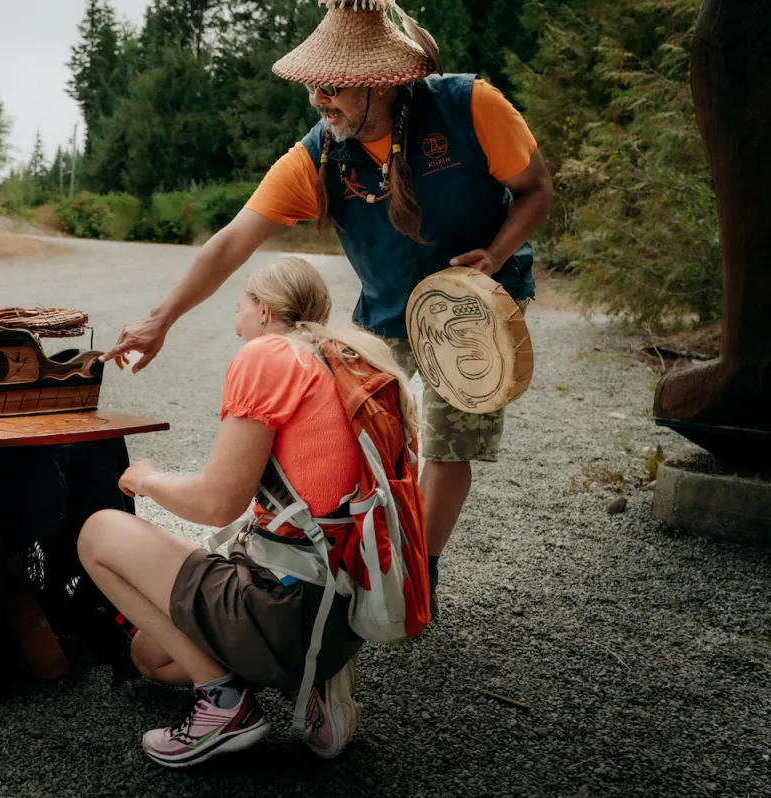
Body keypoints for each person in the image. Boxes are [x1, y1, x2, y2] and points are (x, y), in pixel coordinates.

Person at [100, 0, 553, 616]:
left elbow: (536, 189)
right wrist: (160, 320)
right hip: (387, 307)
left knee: (448, 442)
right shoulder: (318, 155)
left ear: (382, 82)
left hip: (473, 307)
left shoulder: (471, 106)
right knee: (354, 426)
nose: (318, 97)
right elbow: (233, 239)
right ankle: (352, 555)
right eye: (313, 82)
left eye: (333, 84)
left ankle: (419, 576)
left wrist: (496, 255)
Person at [78, 256, 422, 767]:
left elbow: (217, 504)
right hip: (341, 613)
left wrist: (146, 479)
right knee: (149, 656)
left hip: (282, 609)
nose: (234, 317)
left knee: (98, 533)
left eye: (238, 305)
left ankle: (223, 702)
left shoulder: (267, 355)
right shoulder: (345, 357)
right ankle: (311, 680)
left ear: (263, 311)